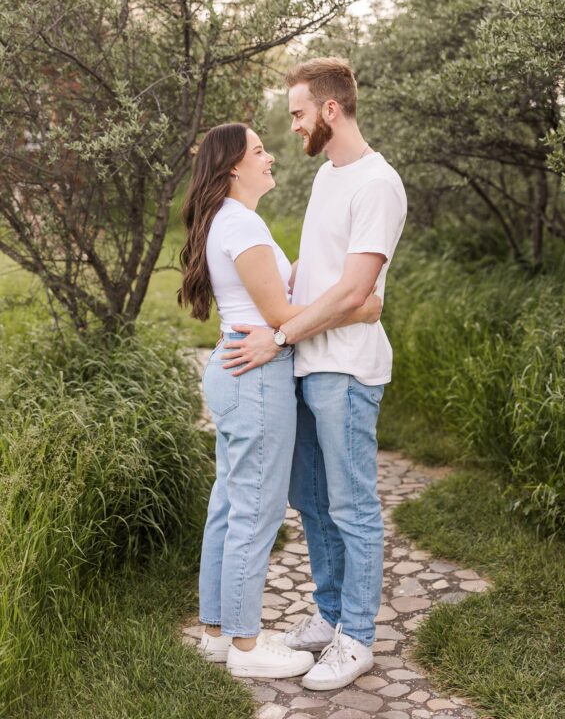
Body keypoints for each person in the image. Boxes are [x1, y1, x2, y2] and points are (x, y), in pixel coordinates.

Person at [221, 58, 407, 691]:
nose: (293, 126)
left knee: (352, 506)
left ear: (331, 110)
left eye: (299, 113)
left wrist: (279, 333)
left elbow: (358, 290)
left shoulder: (377, 183)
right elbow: (325, 272)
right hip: (310, 362)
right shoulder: (329, 175)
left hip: (347, 371)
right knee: (314, 503)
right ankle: (329, 617)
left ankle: (356, 637)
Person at [178, 121, 382, 680]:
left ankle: (218, 633)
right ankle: (247, 647)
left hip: (237, 368)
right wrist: (359, 309)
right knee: (254, 512)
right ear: (232, 168)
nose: (270, 156)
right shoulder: (239, 223)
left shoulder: (236, 220)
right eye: (259, 151)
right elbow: (280, 318)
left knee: (228, 504)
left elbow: (291, 289)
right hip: (256, 375)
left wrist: (334, 284)